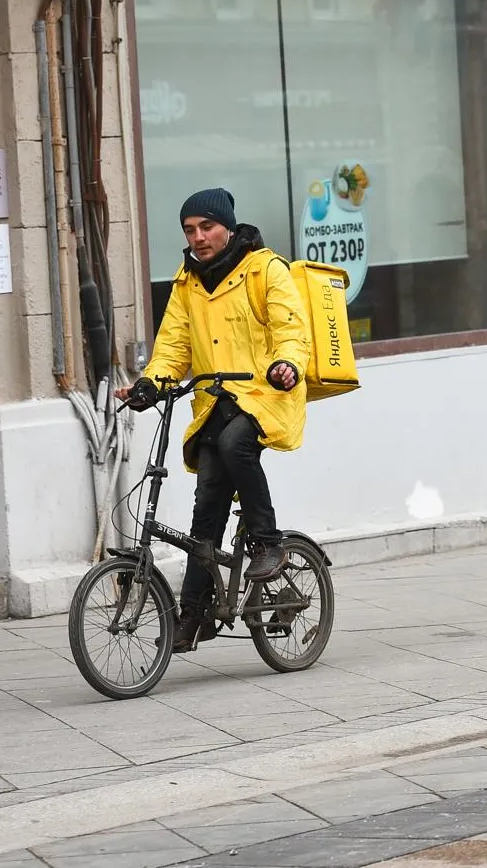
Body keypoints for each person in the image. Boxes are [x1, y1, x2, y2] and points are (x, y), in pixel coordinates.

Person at [117, 188, 309, 652]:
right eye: (189, 230)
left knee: (234, 446)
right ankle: (193, 615)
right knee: (205, 513)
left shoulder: (266, 269)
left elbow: (291, 330)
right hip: (213, 403)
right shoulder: (187, 281)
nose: (198, 237)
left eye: (207, 227)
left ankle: (267, 544)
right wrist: (150, 384)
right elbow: (173, 346)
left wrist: (286, 364)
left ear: (227, 226)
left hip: (266, 393)